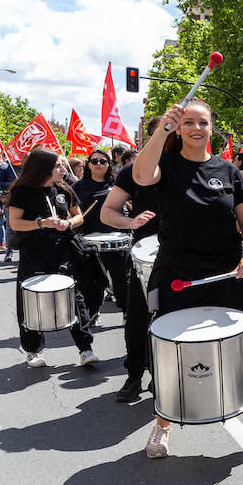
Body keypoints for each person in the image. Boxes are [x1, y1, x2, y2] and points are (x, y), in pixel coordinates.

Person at [131, 99, 243, 458]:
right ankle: (162, 424)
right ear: (178, 128)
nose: (196, 128)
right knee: (167, 351)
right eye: (188, 122)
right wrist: (162, 127)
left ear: (212, 128)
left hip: (229, 273)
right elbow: (141, 176)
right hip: (176, 274)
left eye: (203, 122)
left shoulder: (228, 170)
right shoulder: (165, 165)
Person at [5, 148, 98, 369]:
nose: (63, 169)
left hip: (62, 248)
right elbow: (16, 223)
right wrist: (41, 223)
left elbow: (78, 216)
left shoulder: (64, 189)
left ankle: (85, 348)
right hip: (33, 250)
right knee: (31, 298)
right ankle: (33, 350)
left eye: (63, 165)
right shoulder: (23, 191)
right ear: (43, 167)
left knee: (75, 296)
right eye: (58, 165)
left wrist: (68, 223)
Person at [102, 151, 161, 403]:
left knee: (176, 319)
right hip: (145, 256)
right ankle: (134, 376)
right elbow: (107, 212)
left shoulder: (193, 166)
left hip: (184, 256)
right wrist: (130, 222)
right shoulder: (133, 171)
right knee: (138, 319)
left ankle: (165, 377)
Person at [72, 151, 128, 321]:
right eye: (94, 161)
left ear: (108, 164)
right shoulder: (78, 187)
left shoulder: (118, 184)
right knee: (92, 280)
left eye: (103, 161)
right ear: (88, 164)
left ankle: (127, 312)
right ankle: (93, 310)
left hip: (117, 238)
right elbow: (71, 211)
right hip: (89, 240)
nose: (98, 164)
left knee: (122, 279)